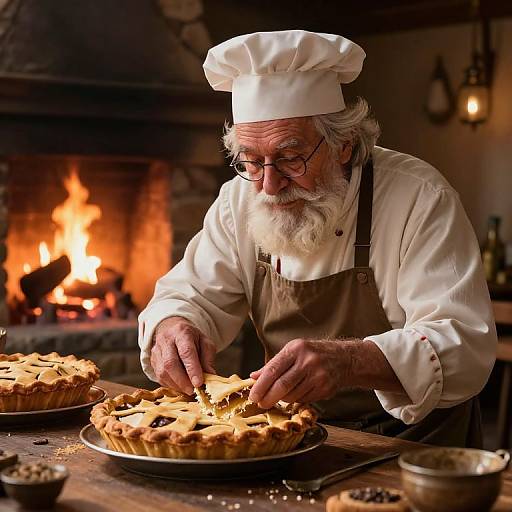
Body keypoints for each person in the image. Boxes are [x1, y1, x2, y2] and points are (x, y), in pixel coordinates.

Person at [138, 30, 497, 446]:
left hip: (417, 448)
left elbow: (464, 344)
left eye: (290, 158)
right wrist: (172, 325)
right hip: (294, 441)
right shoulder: (241, 198)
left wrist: (350, 361)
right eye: (251, 161)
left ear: (343, 146)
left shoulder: (419, 197)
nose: (269, 185)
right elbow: (189, 295)